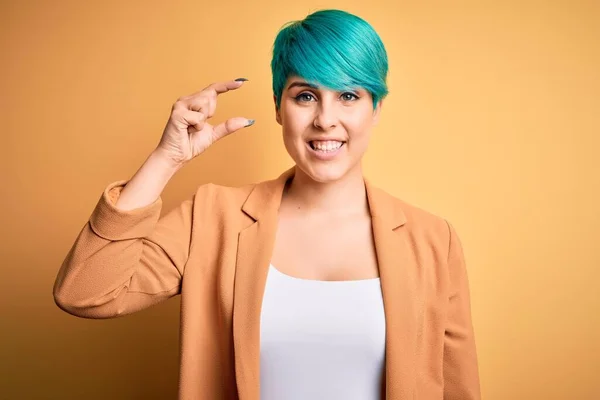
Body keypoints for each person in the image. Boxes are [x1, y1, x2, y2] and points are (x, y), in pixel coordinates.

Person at [53, 8, 481, 400]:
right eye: (305, 95)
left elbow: (459, 388)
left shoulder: (432, 241)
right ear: (278, 106)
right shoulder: (213, 218)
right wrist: (166, 159)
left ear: (376, 109)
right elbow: (85, 292)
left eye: (349, 95)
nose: (325, 119)